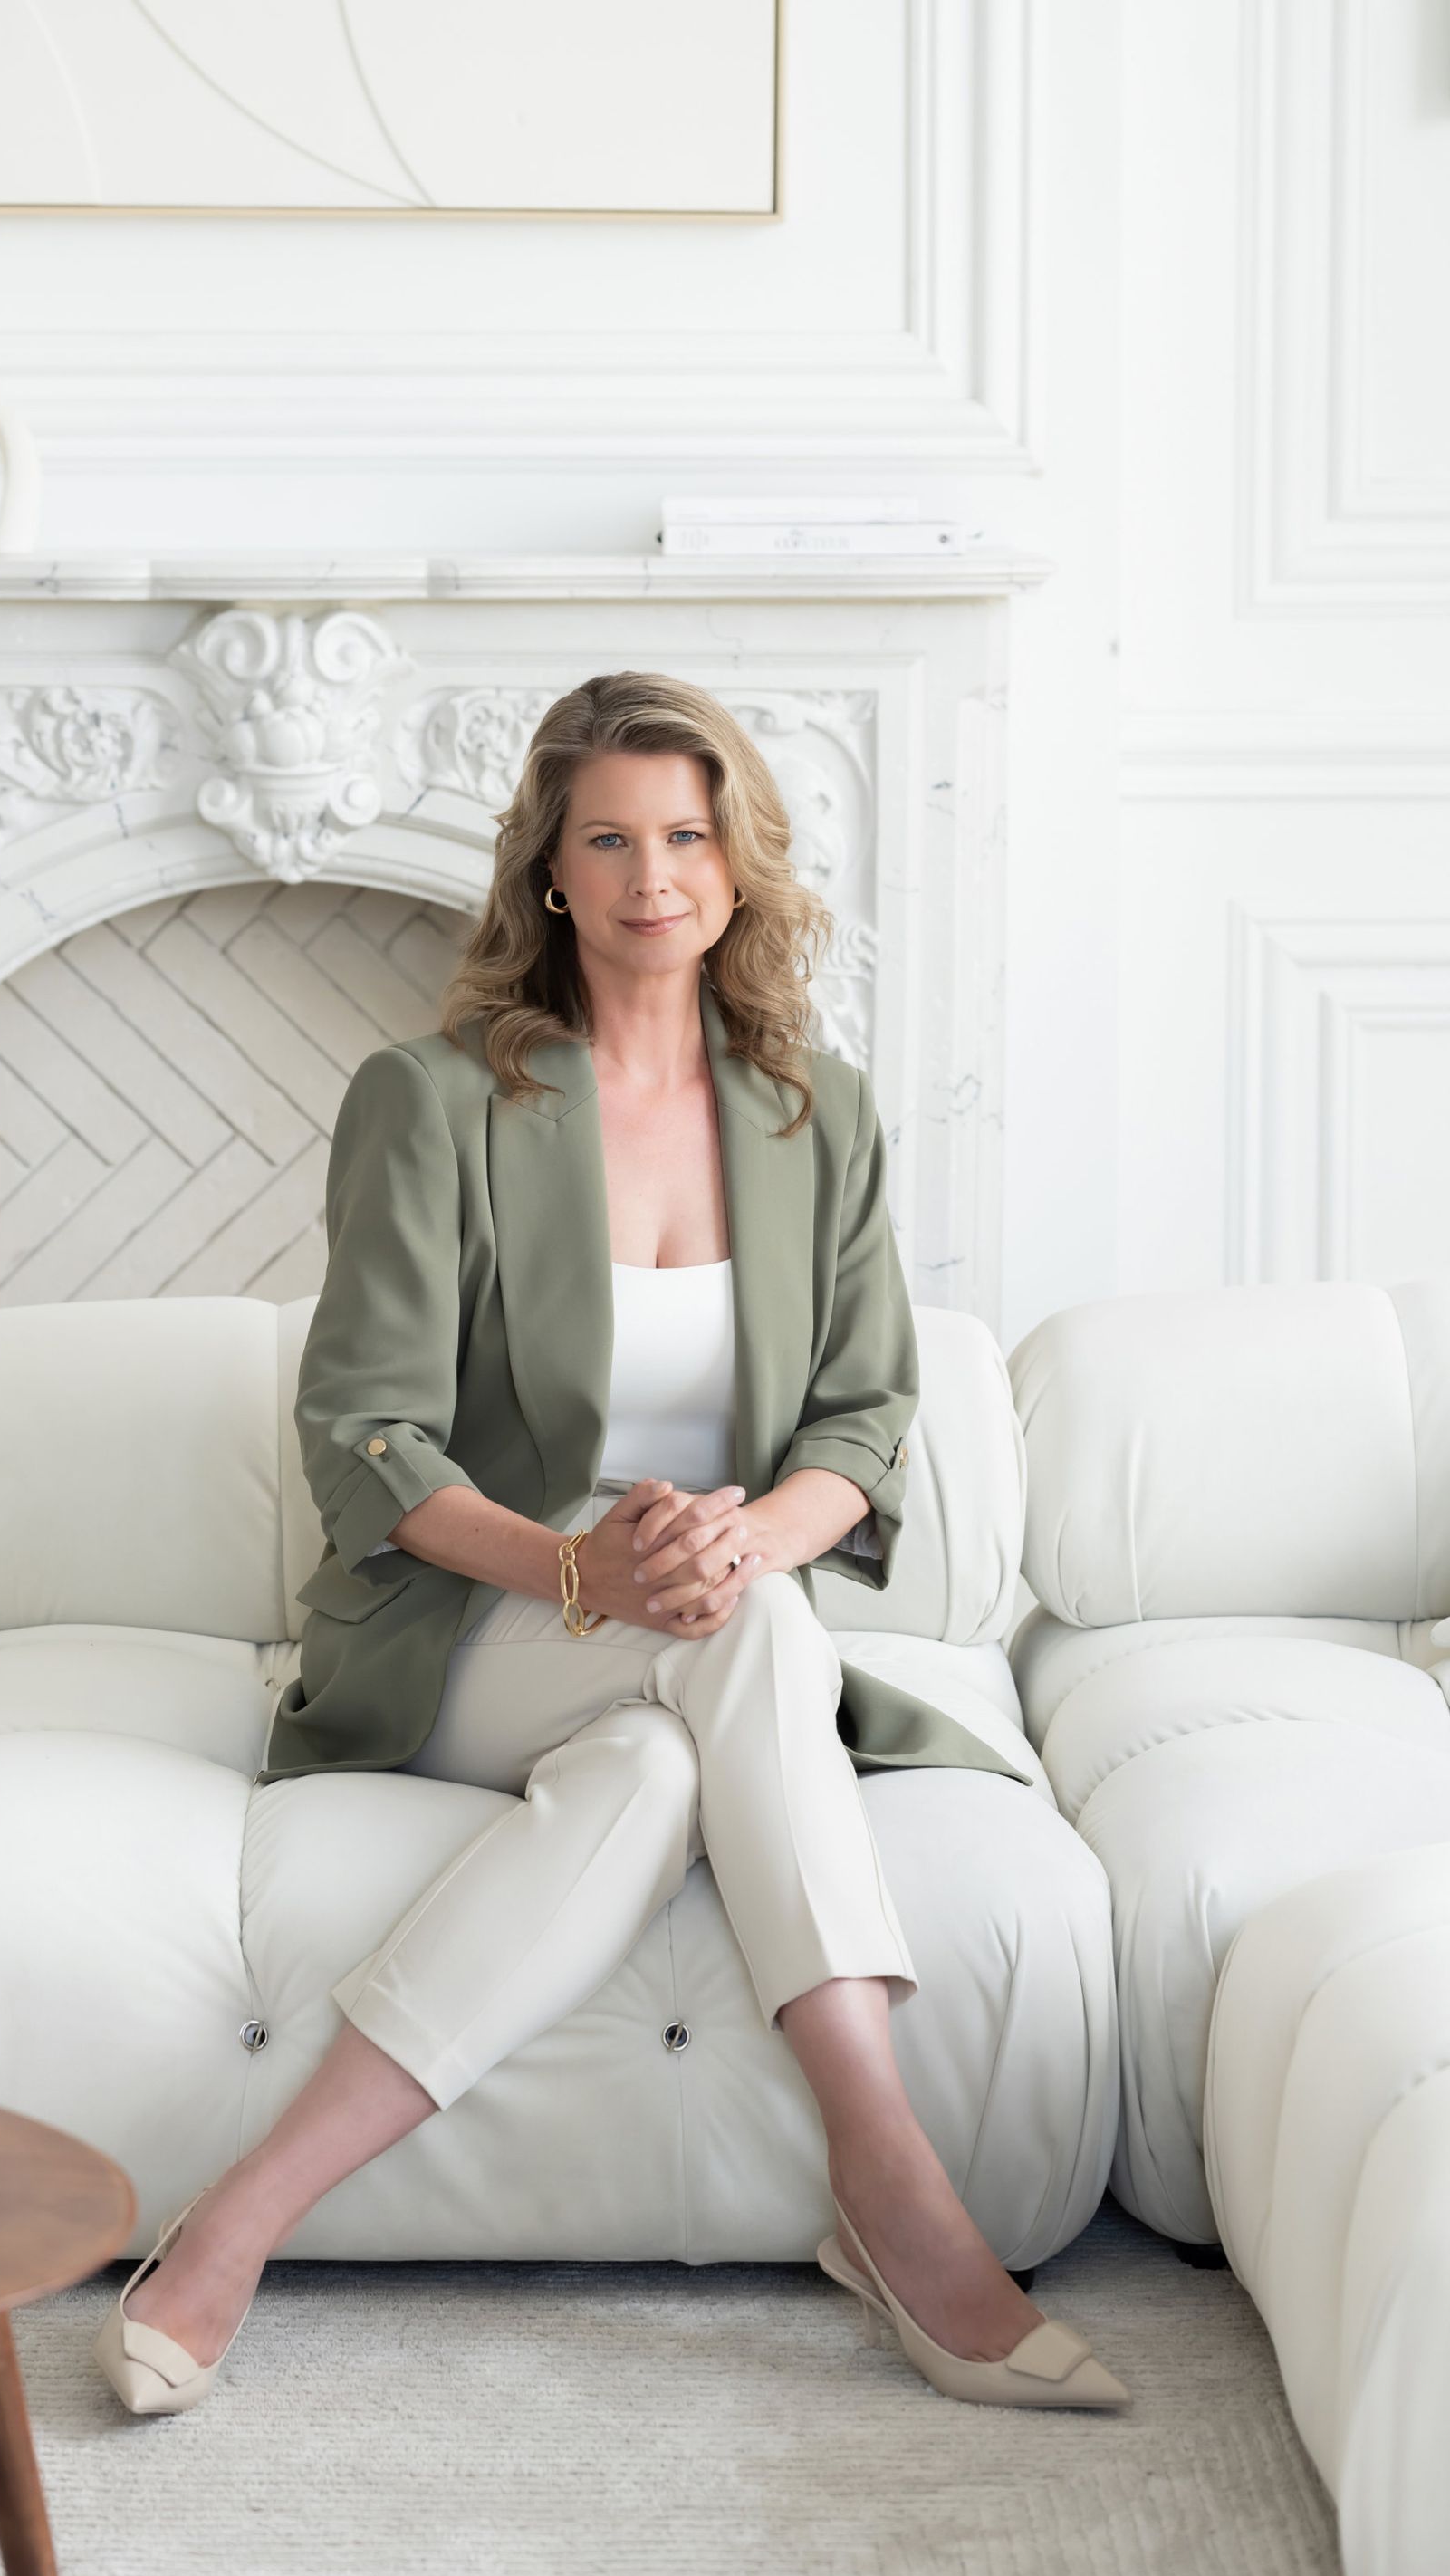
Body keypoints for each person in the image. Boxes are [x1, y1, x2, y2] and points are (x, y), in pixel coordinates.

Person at [94, 671, 1128, 2418]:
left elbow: (865, 1429)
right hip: (473, 1621)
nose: (658, 872)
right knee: (735, 1642)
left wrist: (736, 1543)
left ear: (738, 863)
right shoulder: (431, 1101)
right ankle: (896, 2189)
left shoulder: (819, 1115)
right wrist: (588, 1570)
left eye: (691, 832)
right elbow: (365, 1434)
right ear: (552, 873)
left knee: (666, 1751)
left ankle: (239, 2220)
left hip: (709, 1618)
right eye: (612, 838)